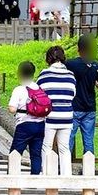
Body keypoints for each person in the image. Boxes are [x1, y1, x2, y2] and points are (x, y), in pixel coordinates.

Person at [37, 45, 76, 175]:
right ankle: (66, 175)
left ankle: (47, 172)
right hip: (66, 116)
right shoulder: (71, 75)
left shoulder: (44, 74)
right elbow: (73, 94)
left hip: (49, 116)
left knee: (47, 146)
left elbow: (38, 93)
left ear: (48, 59)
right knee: (64, 148)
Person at [67, 35, 98, 158]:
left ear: (79, 49)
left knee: (69, 138)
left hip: (74, 107)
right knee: (88, 139)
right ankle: (89, 164)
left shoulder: (71, 64)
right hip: (90, 108)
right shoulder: (97, 66)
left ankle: (65, 164)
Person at [8, 60, 46, 174]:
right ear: (33, 73)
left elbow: (12, 108)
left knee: (15, 152)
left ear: (20, 73)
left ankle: (12, 176)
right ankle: (35, 178)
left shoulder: (19, 89)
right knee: (36, 154)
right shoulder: (39, 88)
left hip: (24, 125)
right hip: (40, 124)